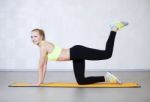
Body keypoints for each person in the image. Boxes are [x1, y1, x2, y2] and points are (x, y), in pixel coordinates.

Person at [30, 21, 128, 85]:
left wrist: (39, 82)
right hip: (75, 56)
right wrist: (41, 81)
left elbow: (40, 66)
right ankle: (107, 78)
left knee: (107, 54)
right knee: (81, 81)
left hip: (77, 52)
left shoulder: (43, 46)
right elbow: (44, 65)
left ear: (41, 37)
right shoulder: (43, 46)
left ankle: (114, 29)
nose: (33, 39)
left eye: (35, 36)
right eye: (32, 37)